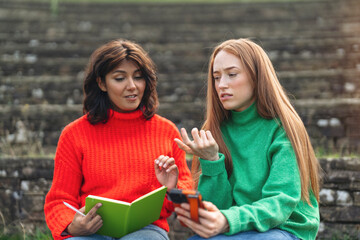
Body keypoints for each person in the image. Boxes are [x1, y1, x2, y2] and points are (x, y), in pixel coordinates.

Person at [44, 39, 193, 240]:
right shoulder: (74, 134)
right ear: (101, 83)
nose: (132, 86)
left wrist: (172, 189)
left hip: (147, 230)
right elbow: (59, 200)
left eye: (138, 77)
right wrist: (71, 225)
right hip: (91, 232)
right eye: (120, 78)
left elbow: (189, 202)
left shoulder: (166, 131)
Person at [173, 38, 320, 240]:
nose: (221, 85)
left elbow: (280, 202)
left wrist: (227, 220)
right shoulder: (214, 129)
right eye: (216, 77)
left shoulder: (283, 128)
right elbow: (214, 214)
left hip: (283, 229)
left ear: (256, 76)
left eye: (232, 74)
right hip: (234, 229)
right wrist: (212, 161)